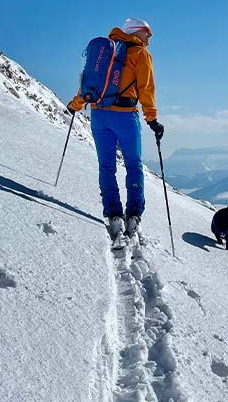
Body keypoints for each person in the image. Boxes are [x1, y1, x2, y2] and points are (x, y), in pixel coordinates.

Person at [67, 18, 164, 242]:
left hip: (99, 115)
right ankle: (134, 213)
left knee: (107, 165)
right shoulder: (141, 55)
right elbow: (146, 89)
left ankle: (113, 213)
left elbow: (90, 84)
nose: (149, 37)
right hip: (125, 116)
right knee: (133, 164)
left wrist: (75, 105)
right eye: (146, 32)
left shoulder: (107, 52)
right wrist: (152, 119)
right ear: (136, 32)